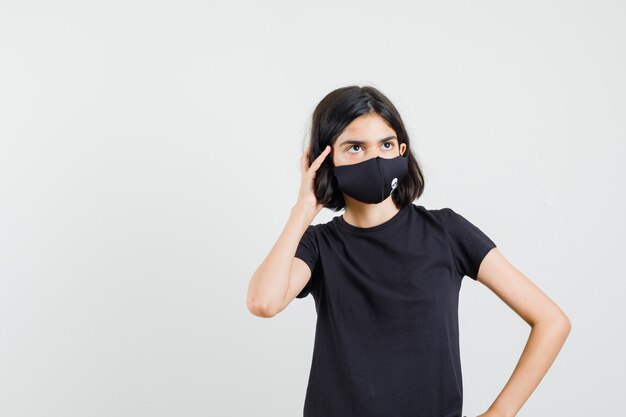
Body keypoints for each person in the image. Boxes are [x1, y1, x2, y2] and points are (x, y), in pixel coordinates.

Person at [246, 85, 571, 417]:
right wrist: (303, 209)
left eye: (385, 145)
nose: (374, 158)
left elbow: (551, 321)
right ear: (323, 159)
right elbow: (264, 302)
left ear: (402, 150)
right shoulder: (318, 245)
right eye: (355, 147)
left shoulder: (446, 232)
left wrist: (499, 413)